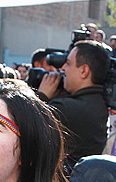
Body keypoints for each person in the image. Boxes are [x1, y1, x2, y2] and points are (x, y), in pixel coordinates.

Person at [38, 40, 110, 168]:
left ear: (84, 71)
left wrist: (41, 97)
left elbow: (28, 128)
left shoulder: (66, 108)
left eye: (69, 63)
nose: (63, 68)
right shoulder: (101, 102)